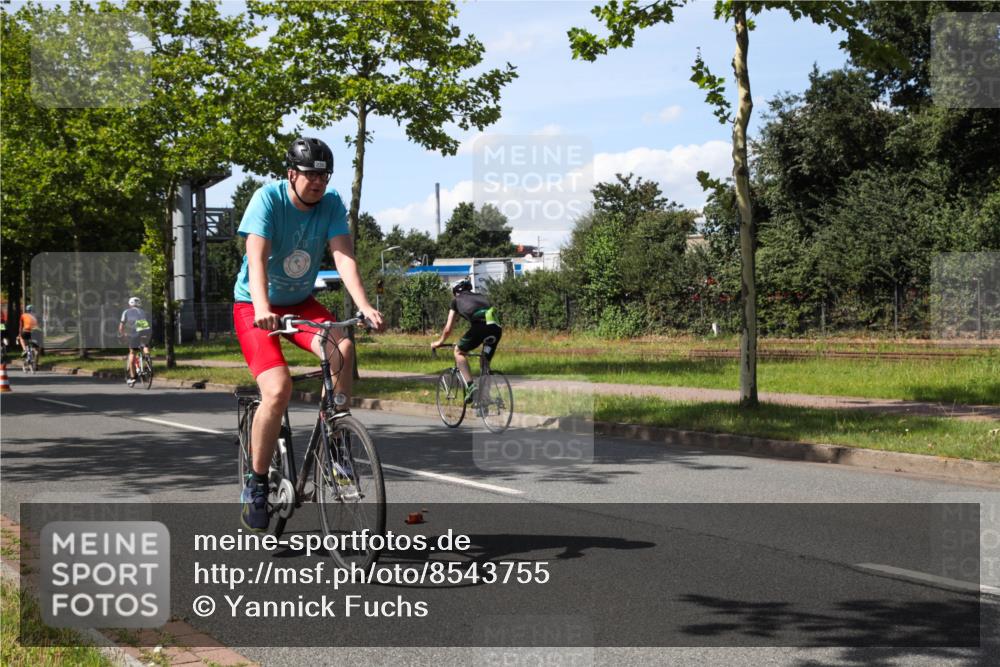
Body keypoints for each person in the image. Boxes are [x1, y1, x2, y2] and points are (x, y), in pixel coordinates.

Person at [234, 136, 383, 532]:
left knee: (342, 345)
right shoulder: (267, 199)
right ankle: (257, 482)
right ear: (291, 174)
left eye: (323, 175)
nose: (318, 182)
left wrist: (364, 305)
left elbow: (342, 255)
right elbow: (256, 257)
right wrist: (263, 308)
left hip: (300, 303)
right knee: (279, 388)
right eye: (310, 175)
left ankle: (336, 444)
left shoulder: (331, 202)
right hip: (255, 305)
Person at [430, 278, 502, 403]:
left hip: (480, 328)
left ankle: (470, 387)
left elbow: (448, 329)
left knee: (458, 352)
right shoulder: (481, 296)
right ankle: (485, 398)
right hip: (496, 329)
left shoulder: (456, 301)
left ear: (456, 291)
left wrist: (439, 342)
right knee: (484, 363)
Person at [119, 297, 152, 387]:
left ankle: (133, 377)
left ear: (130, 304)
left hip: (135, 331)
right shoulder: (143, 312)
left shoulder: (126, 312)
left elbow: (121, 326)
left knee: (132, 352)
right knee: (144, 345)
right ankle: (148, 358)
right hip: (145, 329)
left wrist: (123, 334)